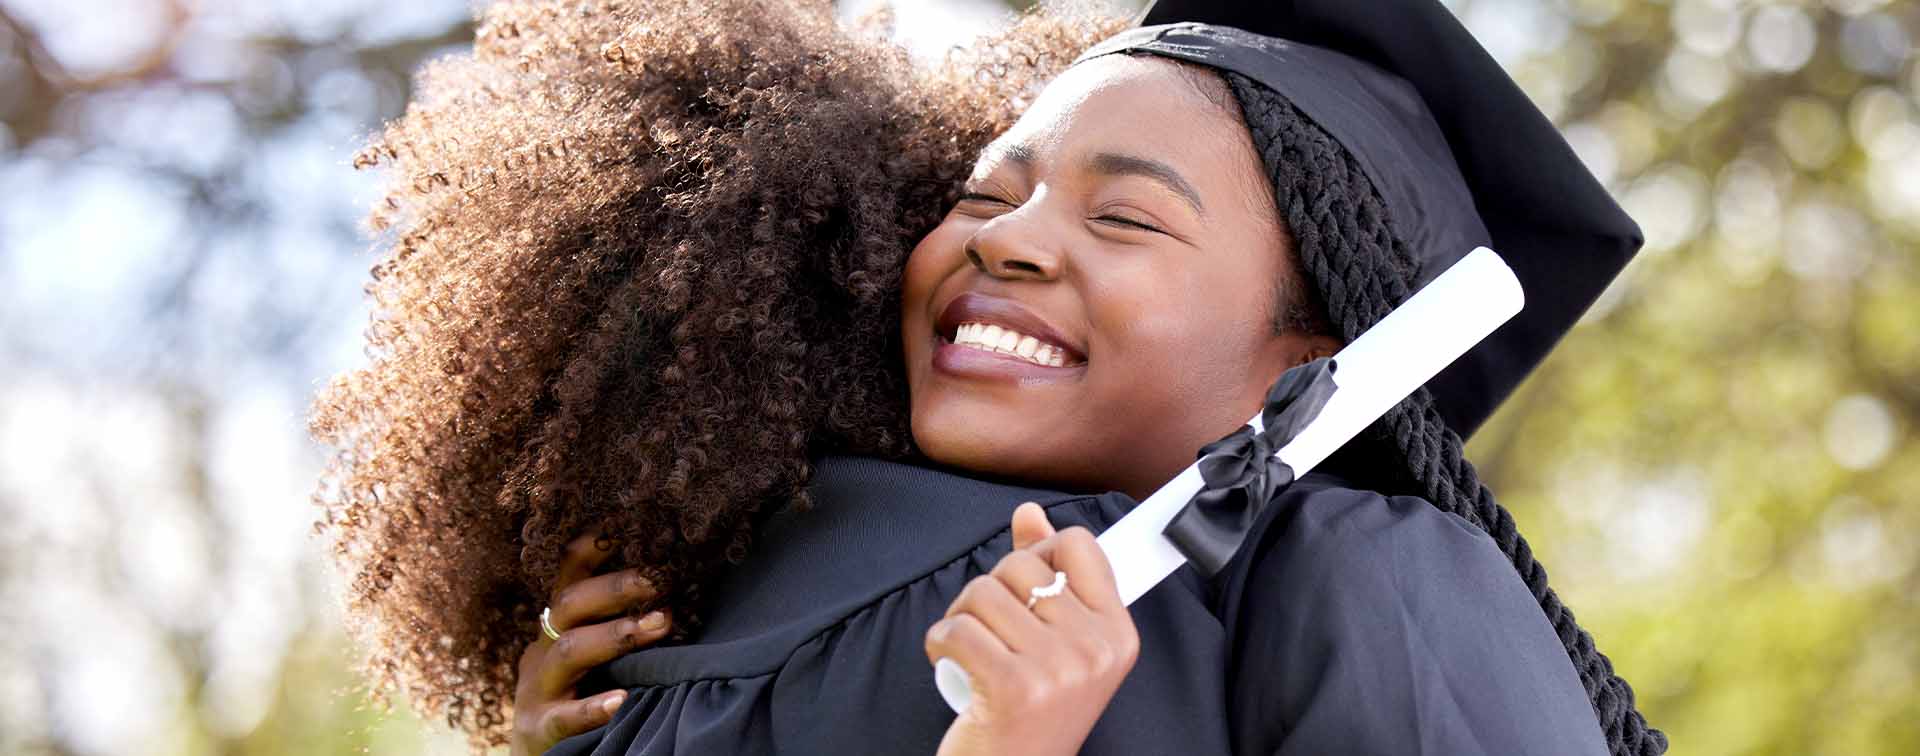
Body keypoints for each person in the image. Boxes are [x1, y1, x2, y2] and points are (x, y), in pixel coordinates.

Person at [308, 1, 1667, 754]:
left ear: (1321, 353)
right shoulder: (740, 574)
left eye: (1126, 218)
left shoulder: (1353, 572)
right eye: (980, 194)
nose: (1007, 240)